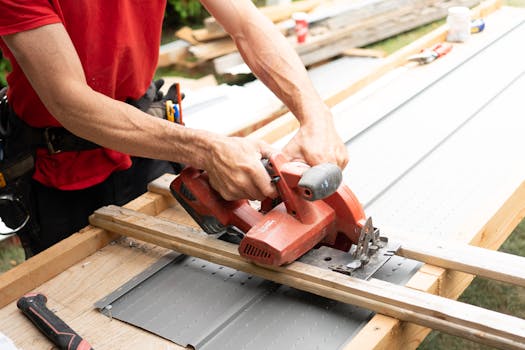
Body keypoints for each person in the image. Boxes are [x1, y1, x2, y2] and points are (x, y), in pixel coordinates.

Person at [0, 0, 348, 257]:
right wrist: (209, 150)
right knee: (80, 294)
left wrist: (315, 114)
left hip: (147, 137)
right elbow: (69, 100)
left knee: (178, 266)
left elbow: (245, 22)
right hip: (60, 169)